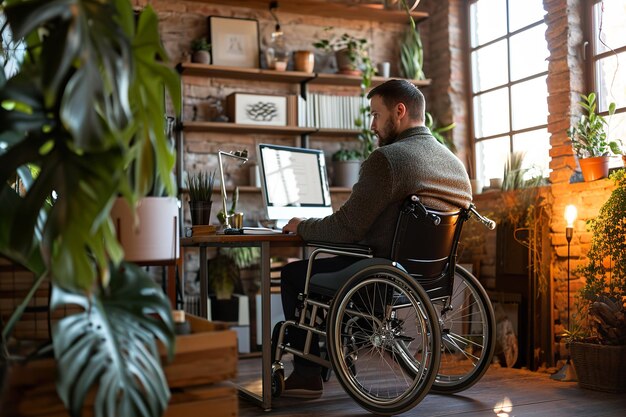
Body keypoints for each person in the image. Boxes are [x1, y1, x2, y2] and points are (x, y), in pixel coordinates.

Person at [279, 79, 472, 399]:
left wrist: (301, 226)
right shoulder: (455, 166)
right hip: (429, 277)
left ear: (400, 111)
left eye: (375, 115)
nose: (371, 125)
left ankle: (308, 372)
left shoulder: (388, 160)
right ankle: (331, 350)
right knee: (336, 267)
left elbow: (346, 227)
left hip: (381, 274)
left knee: (296, 274)